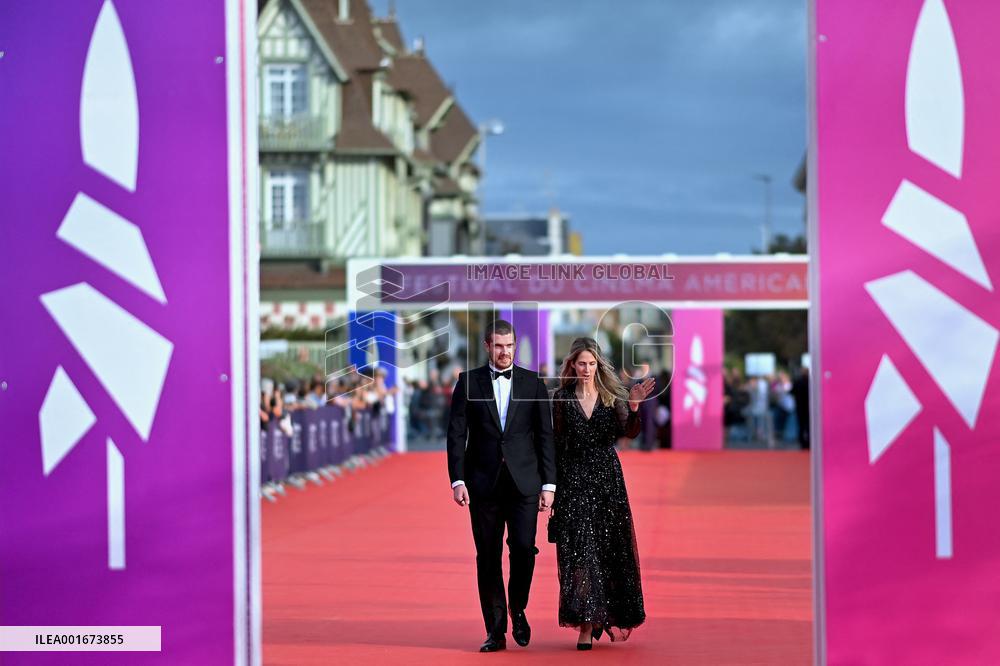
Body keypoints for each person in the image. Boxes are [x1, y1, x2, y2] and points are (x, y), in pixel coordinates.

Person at [447, 319, 556, 652]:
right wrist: (458, 479)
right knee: (488, 557)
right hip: (483, 484)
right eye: (498, 346)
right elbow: (456, 434)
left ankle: (517, 607)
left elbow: (544, 435)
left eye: (509, 346)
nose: (504, 351)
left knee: (524, 549)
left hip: (525, 482)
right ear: (487, 347)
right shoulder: (468, 382)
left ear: (514, 347)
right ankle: (495, 630)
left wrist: (549, 483)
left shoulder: (532, 382)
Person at [550, 337, 654, 650]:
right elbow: (555, 445)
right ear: (572, 365)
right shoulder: (561, 399)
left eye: (592, 363)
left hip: (607, 482)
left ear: (598, 366)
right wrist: (551, 488)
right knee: (579, 553)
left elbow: (629, 432)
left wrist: (634, 407)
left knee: (607, 550)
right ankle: (585, 622)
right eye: (581, 363)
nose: (586, 368)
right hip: (572, 480)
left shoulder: (612, 396)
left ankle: (602, 614)